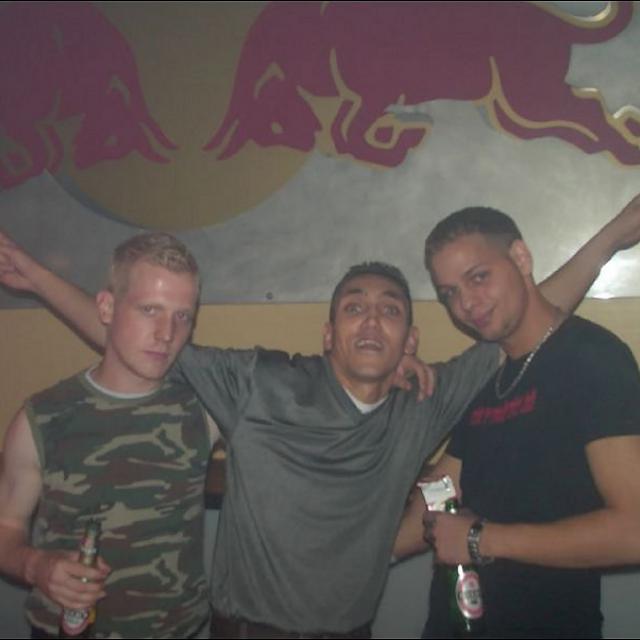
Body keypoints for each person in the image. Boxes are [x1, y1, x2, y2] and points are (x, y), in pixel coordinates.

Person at [0, 194, 637, 638]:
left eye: (391, 311)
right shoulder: (256, 382)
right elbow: (142, 343)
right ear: (328, 334)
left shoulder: (426, 401)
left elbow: (528, 313)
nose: (371, 320)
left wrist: (612, 236)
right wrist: (37, 279)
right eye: (354, 308)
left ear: (409, 341)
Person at [393, 203, 640, 639]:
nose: (466, 304)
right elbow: (443, 489)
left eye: (478, 277)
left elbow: (633, 531)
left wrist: (480, 540)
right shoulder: (489, 377)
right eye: (449, 293)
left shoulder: (592, 359)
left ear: (521, 259)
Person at [0, 232, 216, 638]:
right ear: (106, 307)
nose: (167, 333)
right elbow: (6, 526)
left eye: (182, 316)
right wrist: (37, 566)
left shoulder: (202, 407)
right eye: (150, 310)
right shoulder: (43, 417)